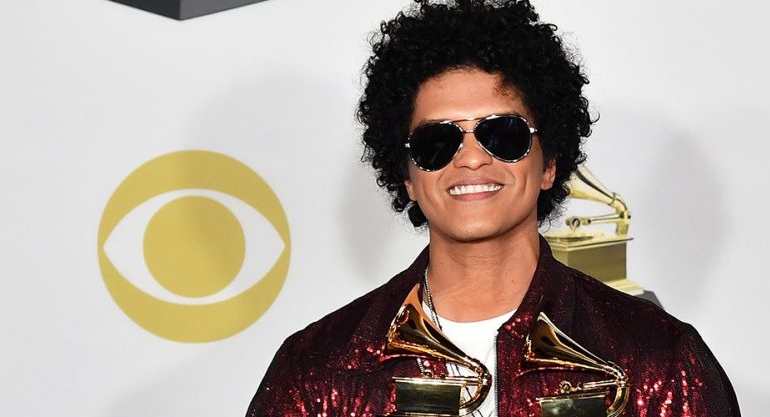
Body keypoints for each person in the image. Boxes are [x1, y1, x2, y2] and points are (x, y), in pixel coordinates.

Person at [246, 1, 740, 416]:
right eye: (436, 142)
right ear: (409, 177)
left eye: (503, 134)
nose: (471, 157)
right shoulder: (320, 371)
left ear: (549, 165)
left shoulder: (659, 360)